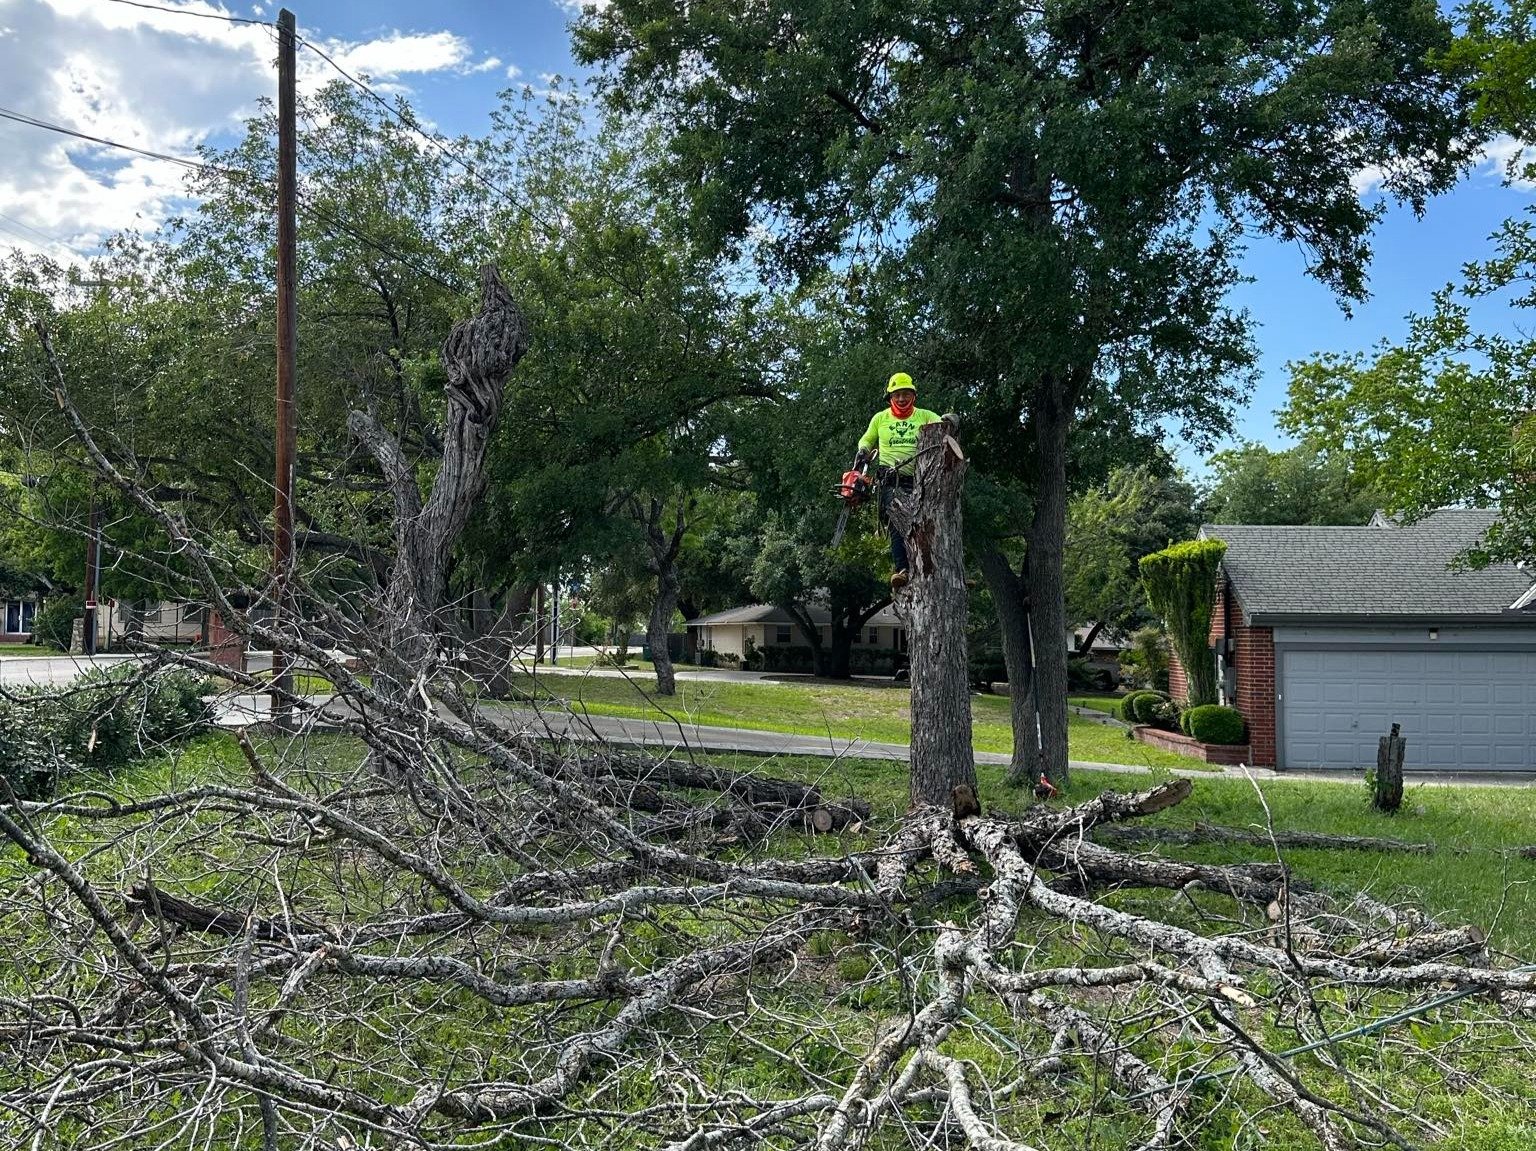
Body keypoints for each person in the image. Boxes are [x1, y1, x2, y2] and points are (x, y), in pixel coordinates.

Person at [852, 372, 942, 590]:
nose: (901, 399)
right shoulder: (880, 418)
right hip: (891, 481)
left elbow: (943, 425)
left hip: (921, 479)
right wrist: (863, 449)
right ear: (890, 397)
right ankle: (903, 569)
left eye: (905, 394)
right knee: (899, 522)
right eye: (897, 394)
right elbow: (867, 438)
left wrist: (950, 420)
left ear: (913, 395)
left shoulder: (924, 415)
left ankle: (937, 569)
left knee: (930, 523)